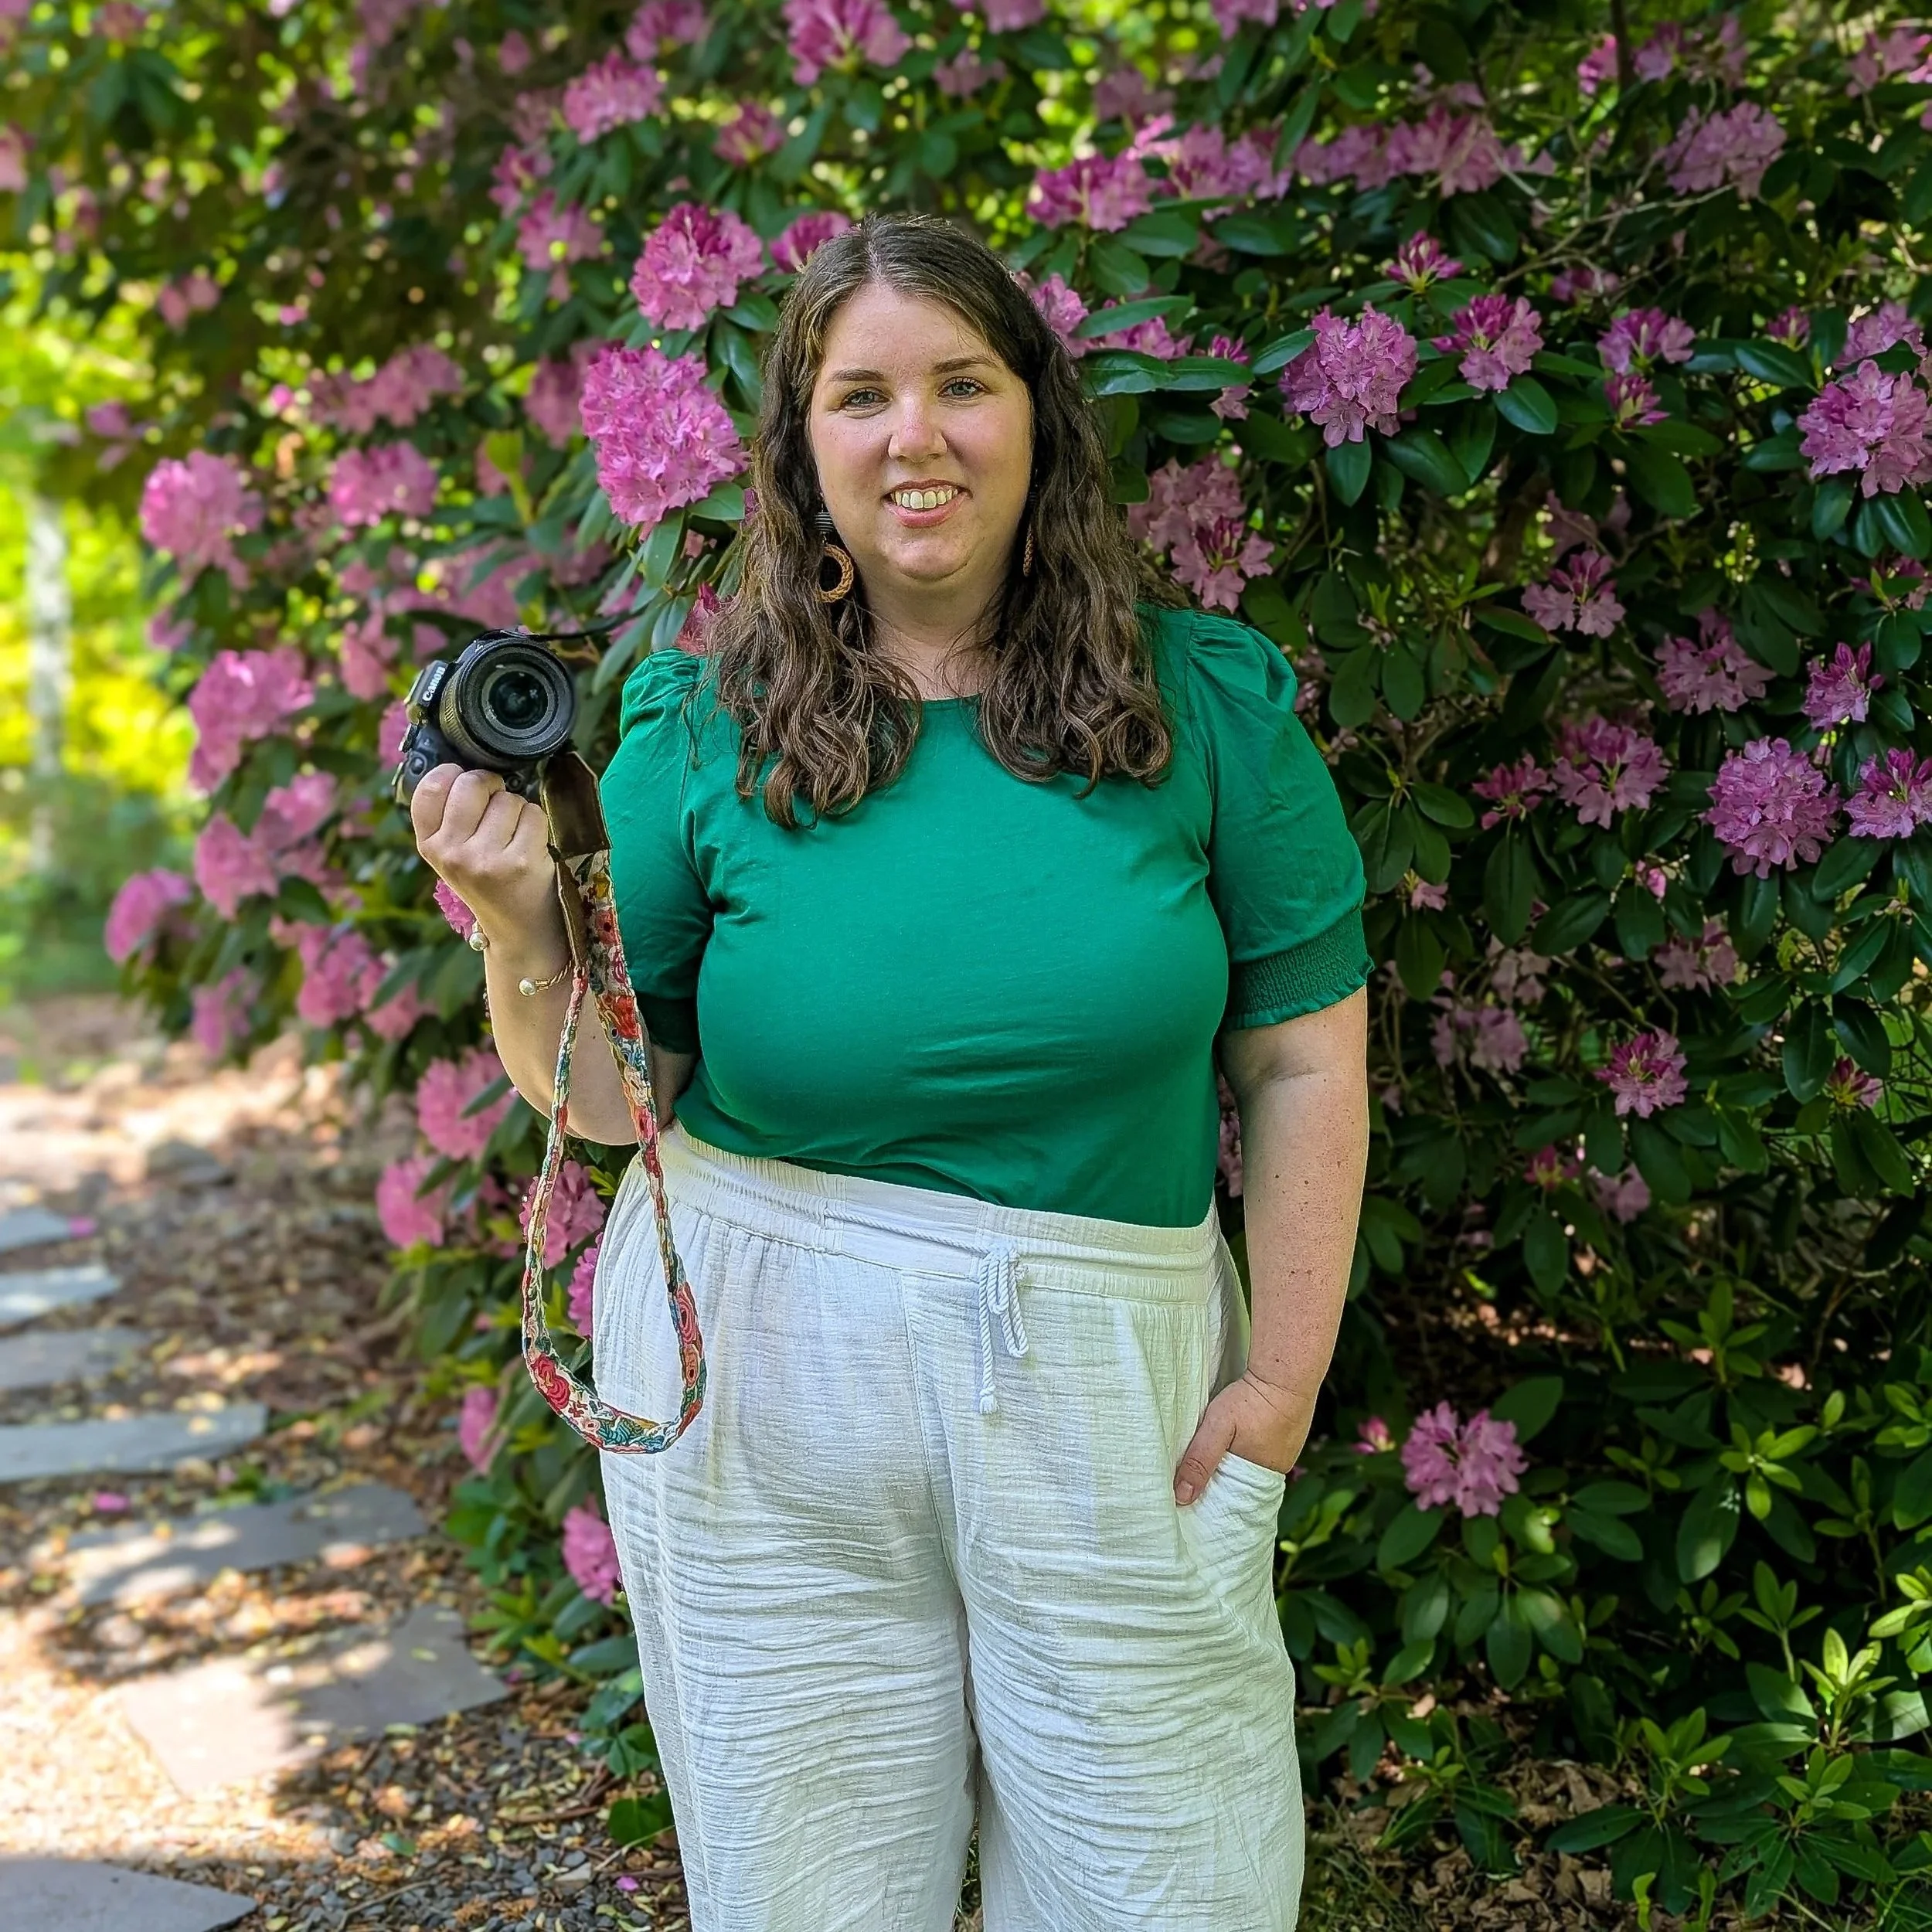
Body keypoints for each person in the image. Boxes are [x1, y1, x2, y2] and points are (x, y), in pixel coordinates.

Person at [410, 211, 1369, 1932]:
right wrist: (506, 920)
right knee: (808, 1889)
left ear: (1035, 420)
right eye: (860, 394)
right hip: (766, 1376)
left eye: (959, 383)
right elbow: (610, 1097)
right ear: (803, 449)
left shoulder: (1205, 703)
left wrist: (1280, 1383)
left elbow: (1304, 1064)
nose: (911, 435)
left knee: (1175, 1885)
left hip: (1116, 1381)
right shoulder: (699, 727)